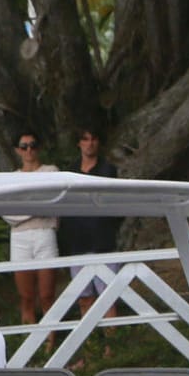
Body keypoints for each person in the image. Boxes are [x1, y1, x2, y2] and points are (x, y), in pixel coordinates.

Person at [56, 127, 123, 315]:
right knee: (84, 297)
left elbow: (115, 205)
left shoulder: (108, 170)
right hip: (77, 241)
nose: (89, 143)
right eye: (85, 139)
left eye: (93, 138)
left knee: (108, 295)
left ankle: (111, 344)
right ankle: (91, 343)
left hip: (104, 241)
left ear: (98, 142)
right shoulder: (69, 172)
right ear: (79, 143)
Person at [2, 130, 60, 333]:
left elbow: (53, 203)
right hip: (19, 237)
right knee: (26, 296)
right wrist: (36, 207)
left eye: (33, 145)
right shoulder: (12, 178)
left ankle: (50, 341)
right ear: (18, 150)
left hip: (44, 233)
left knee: (47, 294)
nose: (29, 150)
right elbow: (7, 214)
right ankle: (29, 339)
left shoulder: (51, 172)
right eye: (24, 146)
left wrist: (24, 208)